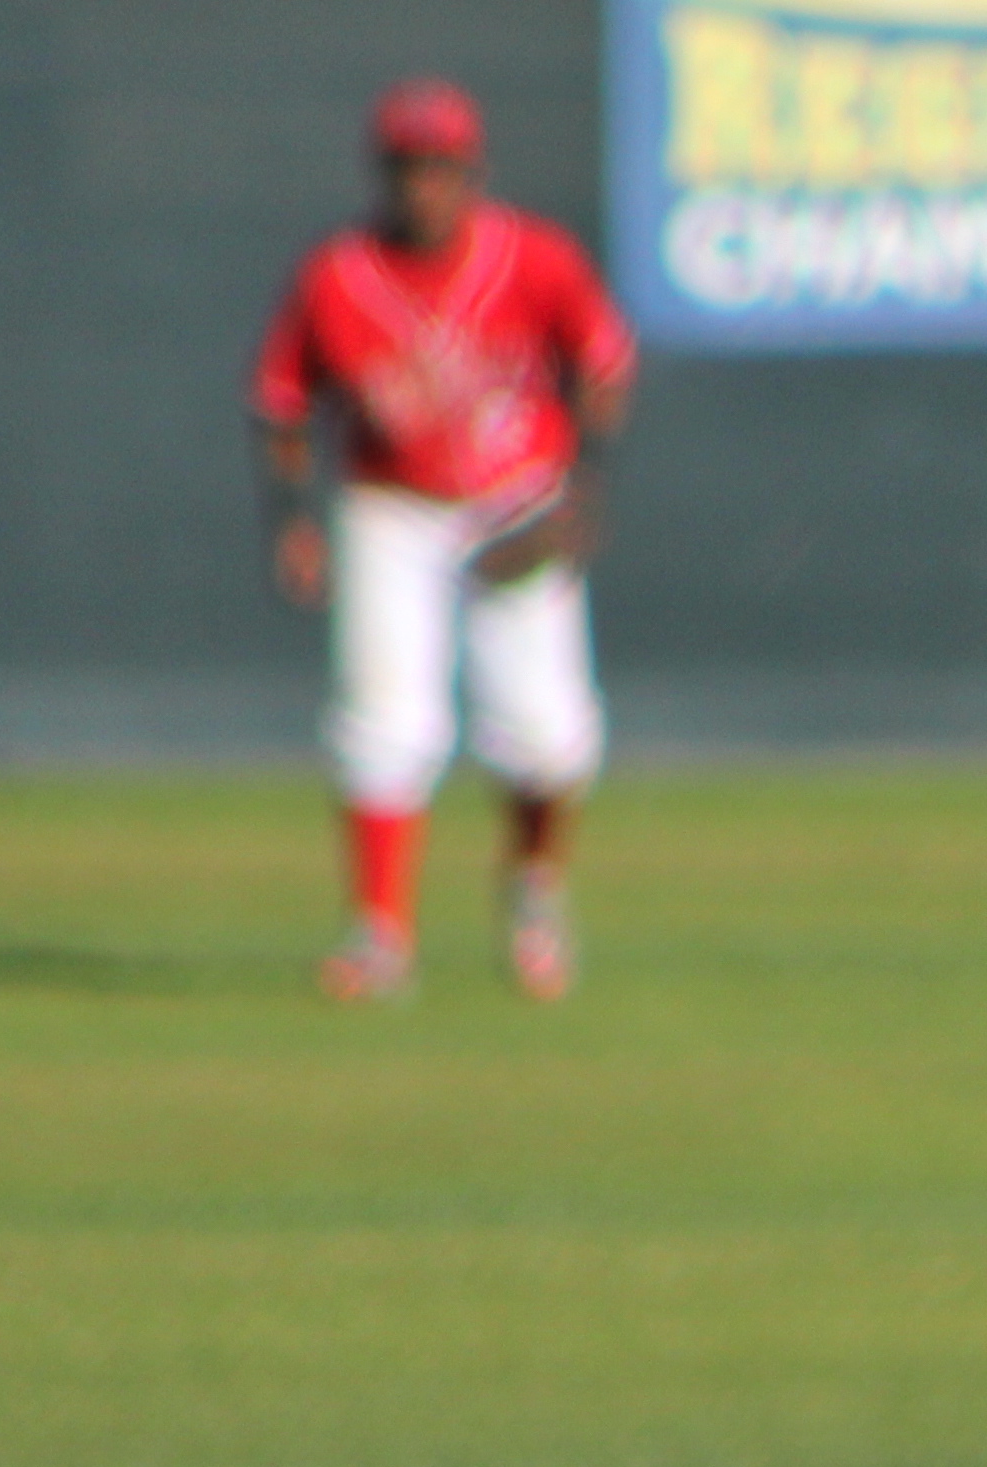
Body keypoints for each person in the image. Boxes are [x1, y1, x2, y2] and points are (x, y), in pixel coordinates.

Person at [250, 79, 636, 1004]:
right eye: (410, 167)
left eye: (443, 167)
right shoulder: (339, 275)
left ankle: (535, 892)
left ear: (474, 172)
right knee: (385, 725)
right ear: (383, 174)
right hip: (392, 506)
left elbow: (603, 366)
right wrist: (293, 517)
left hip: (517, 500)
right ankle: (380, 936)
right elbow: (282, 400)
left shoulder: (533, 258)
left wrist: (584, 491)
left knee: (549, 733)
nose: (427, 185)